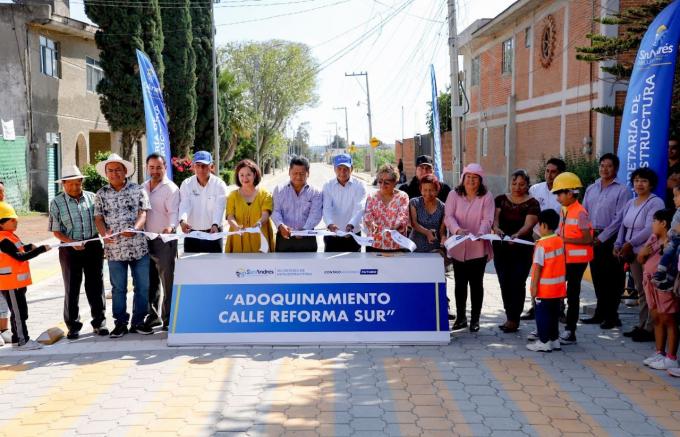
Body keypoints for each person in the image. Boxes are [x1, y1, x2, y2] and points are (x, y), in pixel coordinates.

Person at [94, 153, 152, 338]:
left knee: (142, 287)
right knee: (118, 289)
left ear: (125, 171)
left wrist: (135, 228)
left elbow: (143, 213)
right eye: (110, 170)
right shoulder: (101, 193)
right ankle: (120, 323)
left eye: (118, 170)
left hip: (138, 247)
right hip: (114, 250)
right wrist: (104, 234)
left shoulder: (138, 189)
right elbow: (98, 218)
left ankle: (139, 322)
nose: (114, 173)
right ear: (106, 173)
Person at [49, 165, 108, 340]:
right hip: (69, 248)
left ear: (81, 182)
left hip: (92, 245)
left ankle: (99, 322)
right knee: (72, 287)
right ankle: (73, 326)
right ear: (63, 184)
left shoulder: (93, 198)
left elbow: (100, 221)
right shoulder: (56, 202)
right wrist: (71, 242)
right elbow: (56, 231)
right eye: (70, 184)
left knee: (95, 285)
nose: (74, 187)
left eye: (77, 183)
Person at [615, 167, 665, 342]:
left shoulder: (655, 202)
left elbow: (649, 229)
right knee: (640, 290)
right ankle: (642, 324)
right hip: (631, 253)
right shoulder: (631, 202)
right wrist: (618, 243)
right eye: (636, 180)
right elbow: (622, 225)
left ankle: (651, 328)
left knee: (650, 290)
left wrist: (630, 243)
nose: (639, 184)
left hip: (647, 253)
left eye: (643, 180)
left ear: (651, 184)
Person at [581, 154, 631, 329]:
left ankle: (612, 316)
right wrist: (586, 234)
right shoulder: (591, 188)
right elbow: (583, 212)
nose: (604, 169)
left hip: (612, 239)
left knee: (614, 279)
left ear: (615, 169)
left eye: (608, 166)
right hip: (591, 236)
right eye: (602, 165)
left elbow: (620, 218)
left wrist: (601, 238)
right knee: (598, 276)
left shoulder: (622, 190)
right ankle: (600, 313)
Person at [444, 163, 494, 333]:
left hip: (478, 247)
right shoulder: (453, 194)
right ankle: (460, 317)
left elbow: (488, 219)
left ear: (480, 181)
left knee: (476, 284)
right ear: (463, 178)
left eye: (475, 178)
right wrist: (457, 230)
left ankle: (475, 319)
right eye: (468, 177)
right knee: (460, 284)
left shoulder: (486, 197)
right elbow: (448, 216)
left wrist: (481, 232)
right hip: (458, 247)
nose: (471, 181)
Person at [492, 169, 540, 333]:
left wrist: (519, 234)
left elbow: (529, 224)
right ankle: (509, 316)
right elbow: (495, 219)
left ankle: (514, 319)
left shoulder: (532, 203)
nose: (517, 187)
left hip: (522, 247)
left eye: (521, 184)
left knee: (517, 282)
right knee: (504, 282)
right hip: (502, 247)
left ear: (527, 185)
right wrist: (496, 228)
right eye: (514, 183)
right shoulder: (500, 199)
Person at [0, 201, 50, 349]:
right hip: (10, 283)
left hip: (17, 283)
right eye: (12, 220)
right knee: (18, 313)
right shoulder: (3, 239)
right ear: (1, 223)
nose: (16, 222)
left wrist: (29, 247)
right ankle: (23, 341)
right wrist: (40, 249)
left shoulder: (10, 236)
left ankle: (17, 338)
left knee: (21, 312)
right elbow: (20, 257)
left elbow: (20, 250)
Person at [551, 172, 593, 345]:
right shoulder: (564, 209)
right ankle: (556, 326)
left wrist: (564, 240)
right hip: (565, 258)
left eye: (559, 193)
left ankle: (570, 331)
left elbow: (588, 239)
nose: (557, 197)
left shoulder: (580, 212)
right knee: (558, 291)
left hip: (577, 261)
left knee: (573, 295)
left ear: (570, 193)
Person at [522, 157, 566, 321]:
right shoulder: (535, 189)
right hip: (537, 237)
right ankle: (535, 306)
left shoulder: (564, 191)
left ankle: (559, 307)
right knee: (536, 272)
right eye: (547, 171)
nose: (549, 174)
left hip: (557, 239)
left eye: (553, 171)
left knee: (556, 274)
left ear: (561, 173)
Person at [142, 153, 180, 331]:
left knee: (168, 280)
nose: (155, 171)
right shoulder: (142, 187)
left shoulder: (171, 189)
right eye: (152, 167)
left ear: (165, 168)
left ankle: (169, 318)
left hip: (164, 240)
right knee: (149, 282)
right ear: (147, 168)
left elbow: (174, 213)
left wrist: (171, 227)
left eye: (159, 167)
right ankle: (153, 316)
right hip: (145, 240)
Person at [638, 209, 680, 370]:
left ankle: (671, 357)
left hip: (664, 285)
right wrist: (643, 252)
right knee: (656, 318)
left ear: (663, 223)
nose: (652, 225)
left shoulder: (673, 242)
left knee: (669, 320)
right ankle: (659, 352)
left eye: (654, 221)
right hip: (650, 283)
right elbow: (640, 258)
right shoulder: (653, 238)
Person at [526, 209, 566, 352]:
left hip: (544, 289)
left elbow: (537, 268)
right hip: (558, 288)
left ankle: (543, 342)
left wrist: (534, 288)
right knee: (554, 315)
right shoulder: (559, 241)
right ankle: (554, 340)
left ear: (543, 225)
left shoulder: (542, 245)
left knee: (542, 315)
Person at [178, 150, 229, 253]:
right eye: (198, 165)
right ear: (193, 167)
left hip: (213, 233)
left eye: (205, 165)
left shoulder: (219, 184)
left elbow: (219, 207)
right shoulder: (186, 184)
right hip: (192, 234)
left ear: (211, 167)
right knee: (192, 267)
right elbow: (184, 204)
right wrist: (182, 221)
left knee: (215, 266)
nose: (201, 169)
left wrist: (215, 224)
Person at [272, 156, 322, 252]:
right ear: (289, 172)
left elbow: (315, 214)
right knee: (282, 266)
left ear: (308, 174)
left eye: (302, 174)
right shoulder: (279, 189)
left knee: (309, 266)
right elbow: (275, 211)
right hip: (284, 237)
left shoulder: (316, 192)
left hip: (307, 237)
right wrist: (280, 225)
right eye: (295, 173)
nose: (298, 177)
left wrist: (304, 230)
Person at [225, 159, 275, 253]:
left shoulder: (265, 194)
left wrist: (259, 223)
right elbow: (230, 215)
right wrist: (236, 226)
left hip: (260, 239)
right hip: (238, 239)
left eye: (248, 174)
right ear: (238, 176)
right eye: (241, 175)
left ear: (255, 174)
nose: (245, 178)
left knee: (262, 267)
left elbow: (266, 213)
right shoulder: (232, 196)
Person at [322, 153, 366, 252]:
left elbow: (359, 208)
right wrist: (330, 224)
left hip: (353, 234)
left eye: (346, 168)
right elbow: (326, 208)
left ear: (352, 169)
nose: (342, 172)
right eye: (339, 168)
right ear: (334, 169)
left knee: (354, 266)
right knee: (331, 266)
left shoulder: (359, 185)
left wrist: (351, 225)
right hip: (332, 234)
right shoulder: (328, 186)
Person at [364, 164, 410, 252]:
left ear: (395, 182)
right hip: (374, 244)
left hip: (396, 245)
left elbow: (403, 216)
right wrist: (371, 224)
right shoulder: (372, 196)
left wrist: (395, 227)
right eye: (380, 181)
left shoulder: (402, 197)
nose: (382, 185)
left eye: (387, 182)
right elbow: (368, 215)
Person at [409, 174, 445, 253]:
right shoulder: (414, 203)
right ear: (421, 190)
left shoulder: (443, 207)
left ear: (437, 190)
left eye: (431, 190)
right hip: (414, 247)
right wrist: (427, 232)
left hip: (434, 249)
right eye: (425, 190)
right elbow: (413, 223)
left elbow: (442, 229)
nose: (428, 193)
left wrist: (443, 238)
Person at [0, 181, 10, 345]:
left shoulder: (6, 209)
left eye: (2, 192)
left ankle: (4, 329)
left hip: (5, 263)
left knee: (4, 297)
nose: (1, 196)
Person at [666, 138, 680, 209]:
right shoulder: (661, 164)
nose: (670, 150)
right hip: (662, 202)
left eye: (673, 148)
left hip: (676, 206)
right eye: (668, 147)